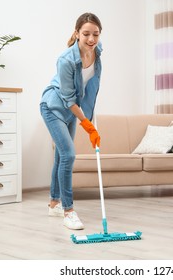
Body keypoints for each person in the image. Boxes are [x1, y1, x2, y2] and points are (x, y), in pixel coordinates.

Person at [40, 13, 103, 230]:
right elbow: (67, 99)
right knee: (69, 155)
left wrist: (90, 117)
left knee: (60, 157)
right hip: (54, 108)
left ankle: (54, 203)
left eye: (96, 34)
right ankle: (68, 211)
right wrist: (87, 125)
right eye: (86, 34)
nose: (91, 39)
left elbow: (90, 86)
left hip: (71, 111)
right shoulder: (66, 60)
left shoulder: (98, 52)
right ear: (77, 33)